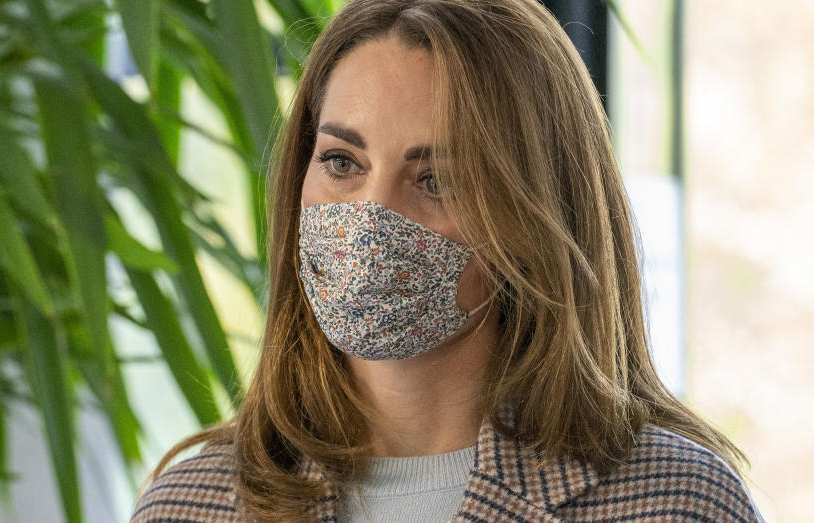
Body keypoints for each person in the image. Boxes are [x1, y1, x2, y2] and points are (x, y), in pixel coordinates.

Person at [130, 0, 764, 521]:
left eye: (435, 180)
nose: (373, 217)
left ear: (534, 217)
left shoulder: (674, 503)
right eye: (342, 163)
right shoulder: (191, 506)